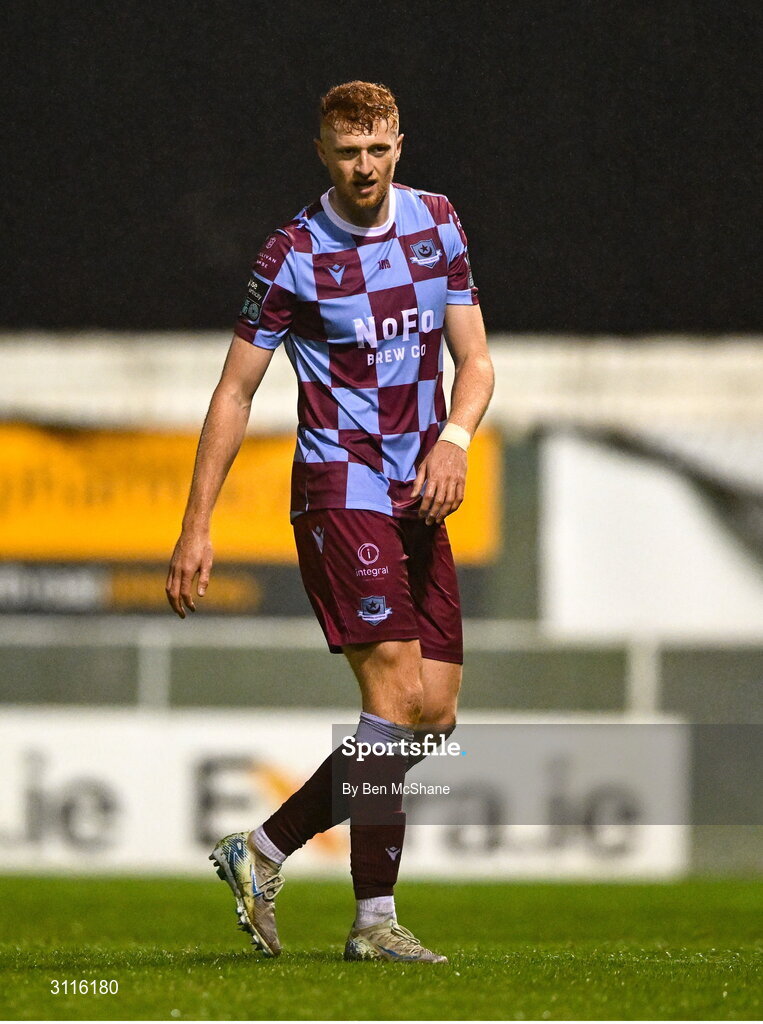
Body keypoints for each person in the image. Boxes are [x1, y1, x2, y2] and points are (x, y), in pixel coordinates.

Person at [166, 80, 494, 963]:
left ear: (398, 144)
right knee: (389, 698)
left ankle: (261, 850)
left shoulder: (438, 223)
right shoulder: (293, 253)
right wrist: (198, 526)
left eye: (377, 148)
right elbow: (235, 391)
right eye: (347, 151)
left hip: (421, 488)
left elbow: (474, 360)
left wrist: (456, 438)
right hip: (340, 486)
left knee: (431, 719)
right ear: (322, 152)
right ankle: (374, 924)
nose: (364, 166)